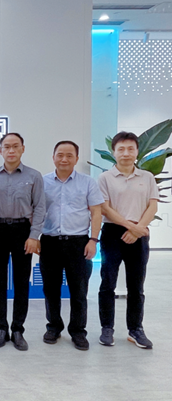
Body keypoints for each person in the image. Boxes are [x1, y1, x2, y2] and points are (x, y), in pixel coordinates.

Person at [97, 131, 159, 349]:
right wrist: (130, 226)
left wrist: (138, 229)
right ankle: (107, 328)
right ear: (114, 152)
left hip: (139, 233)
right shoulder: (105, 178)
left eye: (130, 149)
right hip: (113, 233)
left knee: (136, 285)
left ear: (137, 152)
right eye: (121, 149)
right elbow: (105, 208)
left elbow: (153, 205)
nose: (126, 153)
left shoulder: (147, 177)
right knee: (108, 283)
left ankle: (135, 329)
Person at [0, 132, 45, 351]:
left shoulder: (34, 176)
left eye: (15, 146)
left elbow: (40, 207)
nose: (11, 150)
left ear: (22, 149)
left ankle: (18, 329)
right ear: (0, 150)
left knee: (21, 282)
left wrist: (34, 236)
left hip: (23, 231)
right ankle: (1, 328)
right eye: (7, 147)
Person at [40, 141, 103, 351]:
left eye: (69, 155)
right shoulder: (43, 182)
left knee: (79, 290)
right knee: (51, 289)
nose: (64, 159)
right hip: (50, 241)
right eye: (60, 155)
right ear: (53, 157)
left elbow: (96, 212)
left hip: (79, 243)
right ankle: (53, 327)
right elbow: (36, 211)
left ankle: (78, 331)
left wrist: (93, 240)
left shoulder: (88, 182)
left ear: (76, 158)